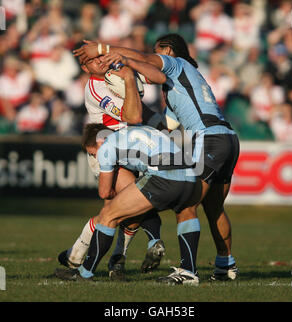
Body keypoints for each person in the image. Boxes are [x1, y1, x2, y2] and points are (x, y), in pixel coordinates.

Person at [74, 33, 240, 282]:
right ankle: (225, 265)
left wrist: (109, 50)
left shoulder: (176, 64)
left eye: (157, 51)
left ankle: (187, 272)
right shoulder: (182, 85)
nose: (154, 56)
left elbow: (147, 63)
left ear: (169, 50)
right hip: (228, 138)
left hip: (208, 140)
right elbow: (165, 126)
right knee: (214, 207)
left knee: (186, 205)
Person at [57, 53, 172, 280]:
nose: (98, 61)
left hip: (128, 149)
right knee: (122, 207)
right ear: (84, 66)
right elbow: (133, 115)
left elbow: (155, 85)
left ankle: (80, 256)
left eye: (100, 56)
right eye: (91, 60)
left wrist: (161, 124)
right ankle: (111, 261)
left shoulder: (116, 74)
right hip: (106, 150)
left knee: (123, 210)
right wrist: (130, 79)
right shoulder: (96, 88)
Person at [55, 123, 201, 285]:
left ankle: (85, 273)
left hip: (163, 173)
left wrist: (119, 196)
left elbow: (104, 192)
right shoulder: (136, 131)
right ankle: (189, 271)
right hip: (190, 174)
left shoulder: (106, 147)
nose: (95, 157)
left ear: (100, 141)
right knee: (186, 213)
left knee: (108, 215)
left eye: (92, 153)